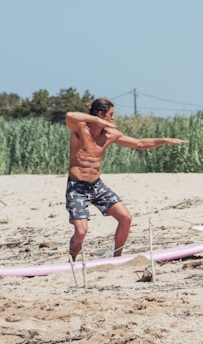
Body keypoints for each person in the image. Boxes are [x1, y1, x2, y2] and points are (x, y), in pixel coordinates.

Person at [66, 98, 188, 261]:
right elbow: (69, 115)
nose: (113, 118)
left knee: (126, 218)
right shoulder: (80, 129)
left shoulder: (111, 134)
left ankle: (117, 258)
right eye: (111, 114)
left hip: (96, 185)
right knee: (81, 232)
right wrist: (97, 120)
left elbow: (139, 143)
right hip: (77, 188)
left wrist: (163, 140)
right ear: (101, 114)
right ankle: (72, 260)